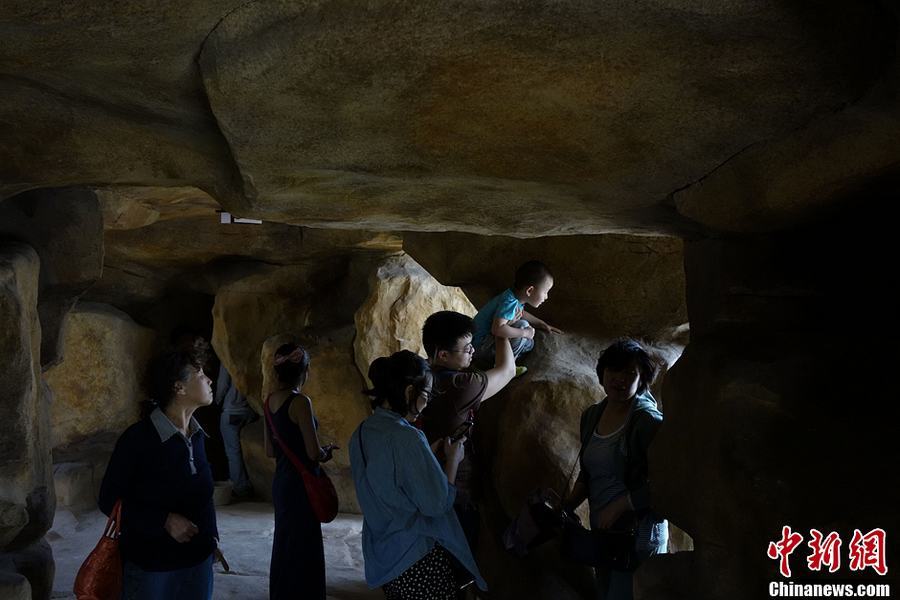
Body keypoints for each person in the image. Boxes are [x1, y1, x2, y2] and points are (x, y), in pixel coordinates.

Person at [349, 351, 486, 599]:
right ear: (409, 391)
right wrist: (452, 461)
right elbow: (437, 504)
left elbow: (388, 482)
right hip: (417, 559)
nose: (425, 405)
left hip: (384, 557)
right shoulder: (408, 436)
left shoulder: (362, 432)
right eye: (425, 396)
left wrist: (426, 459)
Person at [98, 351, 223, 600]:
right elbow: (108, 499)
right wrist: (163, 520)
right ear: (179, 387)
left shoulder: (197, 435)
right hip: (151, 567)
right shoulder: (138, 439)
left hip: (197, 563)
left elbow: (203, 495)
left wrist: (211, 539)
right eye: (200, 374)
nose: (209, 380)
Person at [564, 339, 668, 600]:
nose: (620, 380)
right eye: (613, 371)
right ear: (602, 373)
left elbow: (668, 483)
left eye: (629, 373)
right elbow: (589, 474)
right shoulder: (592, 416)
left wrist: (623, 504)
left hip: (639, 534)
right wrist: (563, 507)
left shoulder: (647, 421)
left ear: (641, 377)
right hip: (604, 534)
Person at [419, 310, 516, 554]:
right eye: (466, 348)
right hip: (455, 490)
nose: (473, 351)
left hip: (422, 486)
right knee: (459, 560)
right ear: (443, 354)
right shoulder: (461, 385)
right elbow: (507, 370)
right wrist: (501, 332)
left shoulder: (421, 378)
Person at [264, 343, 337, 600]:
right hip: (302, 485)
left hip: (282, 481)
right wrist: (325, 452)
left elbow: (270, 451)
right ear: (305, 371)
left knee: (285, 542)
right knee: (305, 545)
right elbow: (312, 452)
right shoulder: (300, 402)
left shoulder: (269, 402)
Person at [471, 260, 562, 374]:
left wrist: (541, 323)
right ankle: (504, 367)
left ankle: (490, 362)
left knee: (529, 344)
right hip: (480, 346)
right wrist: (525, 333)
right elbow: (497, 329)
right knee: (523, 326)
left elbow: (521, 313)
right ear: (530, 290)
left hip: (481, 344)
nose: (546, 297)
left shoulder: (513, 296)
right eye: (545, 292)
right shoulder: (509, 302)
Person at [215, 362, 257, 500]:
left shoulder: (227, 358)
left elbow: (222, 384)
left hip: (231, 411)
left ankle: (240, 488)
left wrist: (215, 401)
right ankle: (253, 485)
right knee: (248, 450)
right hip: (250, 411)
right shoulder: (252, 356)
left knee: (233, 452)